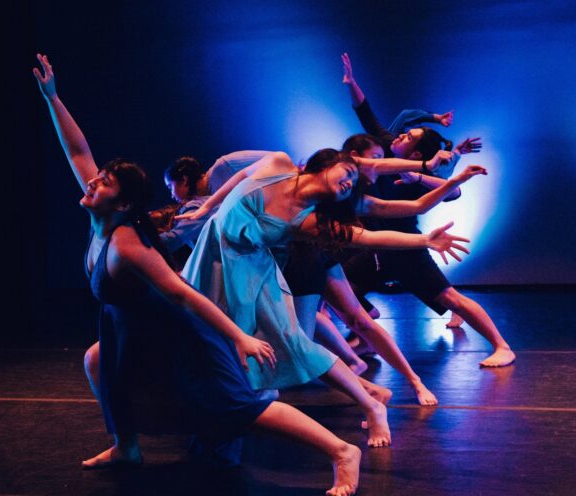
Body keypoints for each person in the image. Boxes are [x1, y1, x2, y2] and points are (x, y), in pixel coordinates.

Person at [34, 53, 363, 496]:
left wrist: (240, 338)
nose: (92, 184)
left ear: (123, 203)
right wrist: (53, 98)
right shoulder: (102, 219)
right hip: (130, 328)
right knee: (98, 361)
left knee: (239, 407)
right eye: (96, 181)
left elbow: (185, 296)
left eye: (103, 184)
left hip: (178, 331)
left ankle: (341, 451)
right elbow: (78, 152)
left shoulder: (127, 244)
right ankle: (126, 446)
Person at [178, 148, 470, 446]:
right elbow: (241, 175)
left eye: (353, 184)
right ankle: (221, 424)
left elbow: (368, 237)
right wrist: (206, 208)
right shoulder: (278, 163)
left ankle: (370, 404)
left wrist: (424, 240)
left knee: (293, 343)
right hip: (211, 255)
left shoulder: (309, 221)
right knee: (201, 335)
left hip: (249, 277)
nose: (349, 183)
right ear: (327, 162)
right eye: (349, 174)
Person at [340, 52, 515, 367]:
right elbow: (366, 113)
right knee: (333, 286)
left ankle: (502, 346)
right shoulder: (387, 150)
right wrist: (352, 83)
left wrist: (418, 176)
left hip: (407, 249)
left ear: (417, 152)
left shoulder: (417, 173)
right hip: (374, 248)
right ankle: (364, 338)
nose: (401, 135)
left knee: (450, 298)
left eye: (409, 137)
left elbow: (454, 191)